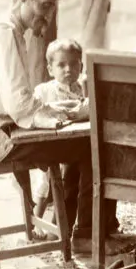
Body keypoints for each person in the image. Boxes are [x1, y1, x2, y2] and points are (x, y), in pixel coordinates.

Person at [0, 0, 115, 254]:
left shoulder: (0, 28)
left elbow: (17, 102)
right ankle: (83, 234)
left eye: (52, 7)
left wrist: (50, 108)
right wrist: (61, 114)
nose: (48, 15)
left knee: (77, 140)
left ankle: (67, 225)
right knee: (90, 145)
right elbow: (18, 106)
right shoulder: (5, 33)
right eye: (43, 5)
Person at [31, 38, 89, 227]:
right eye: (61, 65)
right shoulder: (45, 91)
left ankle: (68, 223)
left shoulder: (83, 90)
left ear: (81, 65)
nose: (68, 70)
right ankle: (36, 221)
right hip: (51, 143)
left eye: (74, 64)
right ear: (50, 69)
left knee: (79, 170)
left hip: (73, 144)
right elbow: (36, 115)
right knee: (47, 177)